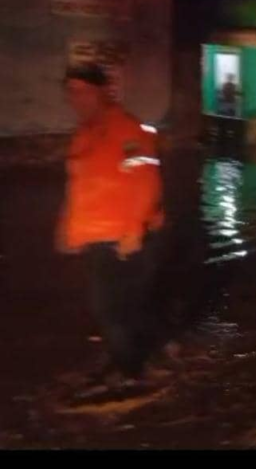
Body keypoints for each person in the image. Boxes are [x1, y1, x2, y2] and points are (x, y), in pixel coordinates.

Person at [56, 63, 166, 391]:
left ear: (103, 92)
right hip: (92, 238)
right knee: (109, 309)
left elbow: (146, 180)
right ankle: (128, 358)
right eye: (70, 91)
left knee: (111, 309)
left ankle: (131, 372)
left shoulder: (127, 130)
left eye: (82, 90)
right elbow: (78, 185)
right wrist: (67, 227)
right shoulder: (83, 134)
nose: (75, 98)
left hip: (120, 239)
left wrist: (133, 230)